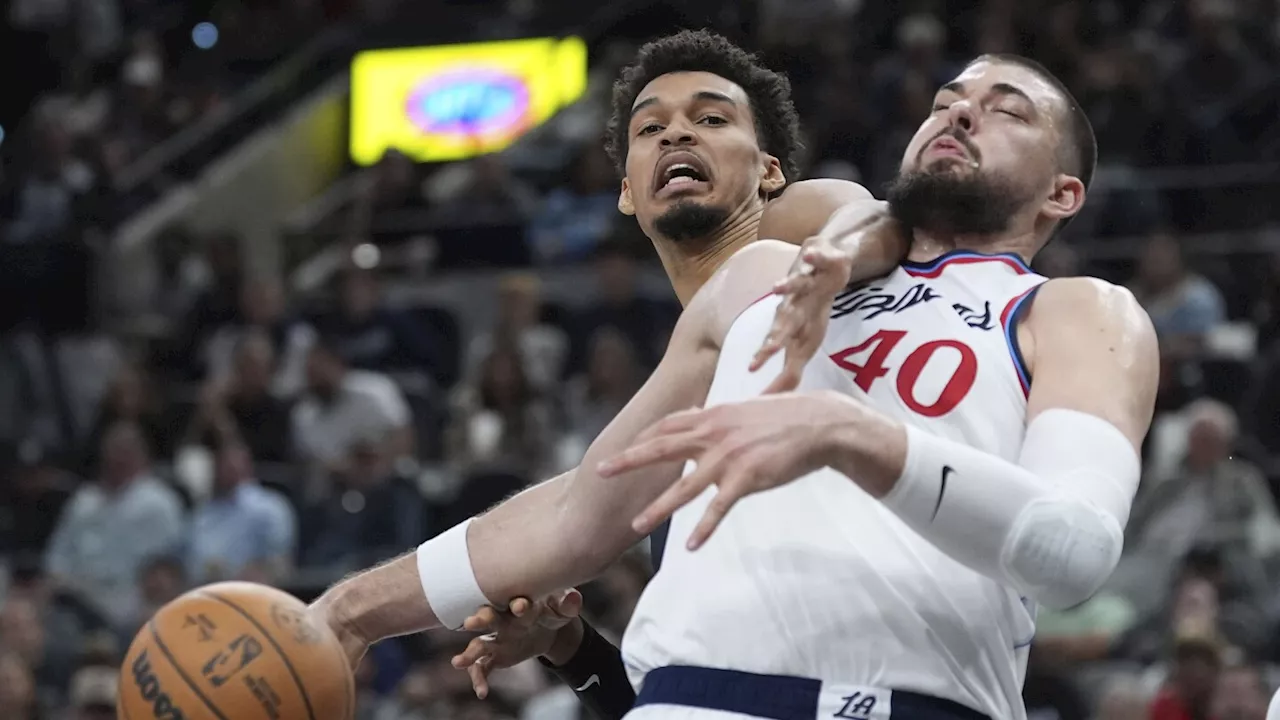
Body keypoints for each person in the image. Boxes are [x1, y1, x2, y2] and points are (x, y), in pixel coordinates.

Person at [318, 39, 1164, 720]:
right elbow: (582, 509)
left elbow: (1071, 551)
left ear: (1063, 193)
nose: (962, 113)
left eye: (1004, 109)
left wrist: (851, 435)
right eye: (946, 103)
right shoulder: (759, 278)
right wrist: (346, 612)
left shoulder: (1076, 311)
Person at [312, 27, 903, 713]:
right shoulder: (690, 398)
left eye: (711, 119)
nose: (677, 135)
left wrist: (348, 612)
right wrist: (574, 650)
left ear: (770, 171)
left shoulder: (794, 254)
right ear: (627, 192)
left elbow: (864, 213)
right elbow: (664, 693)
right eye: (651, 129)